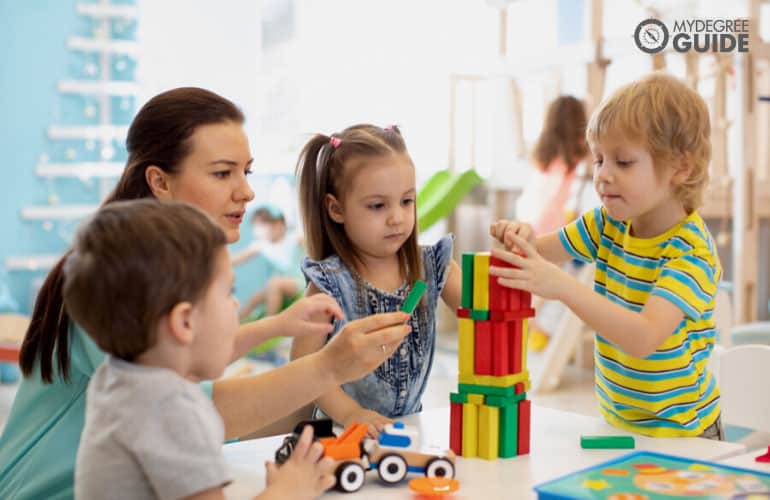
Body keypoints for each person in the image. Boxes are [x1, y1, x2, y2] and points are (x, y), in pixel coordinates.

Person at [0, 88, 412, 499]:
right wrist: (328, 368)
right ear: (159, 181)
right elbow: (190, 409)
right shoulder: (124, 278)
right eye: (222, 173)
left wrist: (275, 326)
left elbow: (177, 354)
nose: (246, 192)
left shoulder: (137, 266)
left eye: (246, 172)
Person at [489, 73, 723, 438]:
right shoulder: (606, 223)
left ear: (681, 168)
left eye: (623, 162)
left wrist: (563, 287)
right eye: (599, 160)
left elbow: (644, 338)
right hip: (619, 422)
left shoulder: (689, 252)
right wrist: (522, 237)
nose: (603, 176)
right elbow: (544, 249)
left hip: (684, 434)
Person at [66, 199, 335, 500]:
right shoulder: (174, 412)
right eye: (228, 293)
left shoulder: (121, 377)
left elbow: (199, 351)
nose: (236, 304)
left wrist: (278, 324)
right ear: (184, 321)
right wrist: (288, 491)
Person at [292, 124, 462, 437]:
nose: (397, 217)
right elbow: (302, 369)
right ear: (336, 209)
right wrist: (352, 413)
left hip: (409, 430)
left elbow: (484, 308)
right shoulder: (328, 283)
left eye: (407, 201)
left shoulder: (433, 266)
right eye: (377, 206)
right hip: (338, 434)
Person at [514, 95, 596, 351]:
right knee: (544, 285)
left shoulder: (545, 155)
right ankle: (533, 325)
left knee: (536, 285)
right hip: (555, 226)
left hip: (531, 222)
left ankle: (531, 325)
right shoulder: (576, 158)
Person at [233, 205, 305, 321]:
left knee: (274, 282)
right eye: (255, 227)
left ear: (279, 225)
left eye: (262, 226)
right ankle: (236, 323)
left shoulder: (293, 238)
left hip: (300, 281)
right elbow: (237, 258)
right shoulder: (262, 245)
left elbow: (313, 241)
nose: (258, 231)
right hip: (282, 283)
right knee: (256, 297)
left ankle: (270, 321)